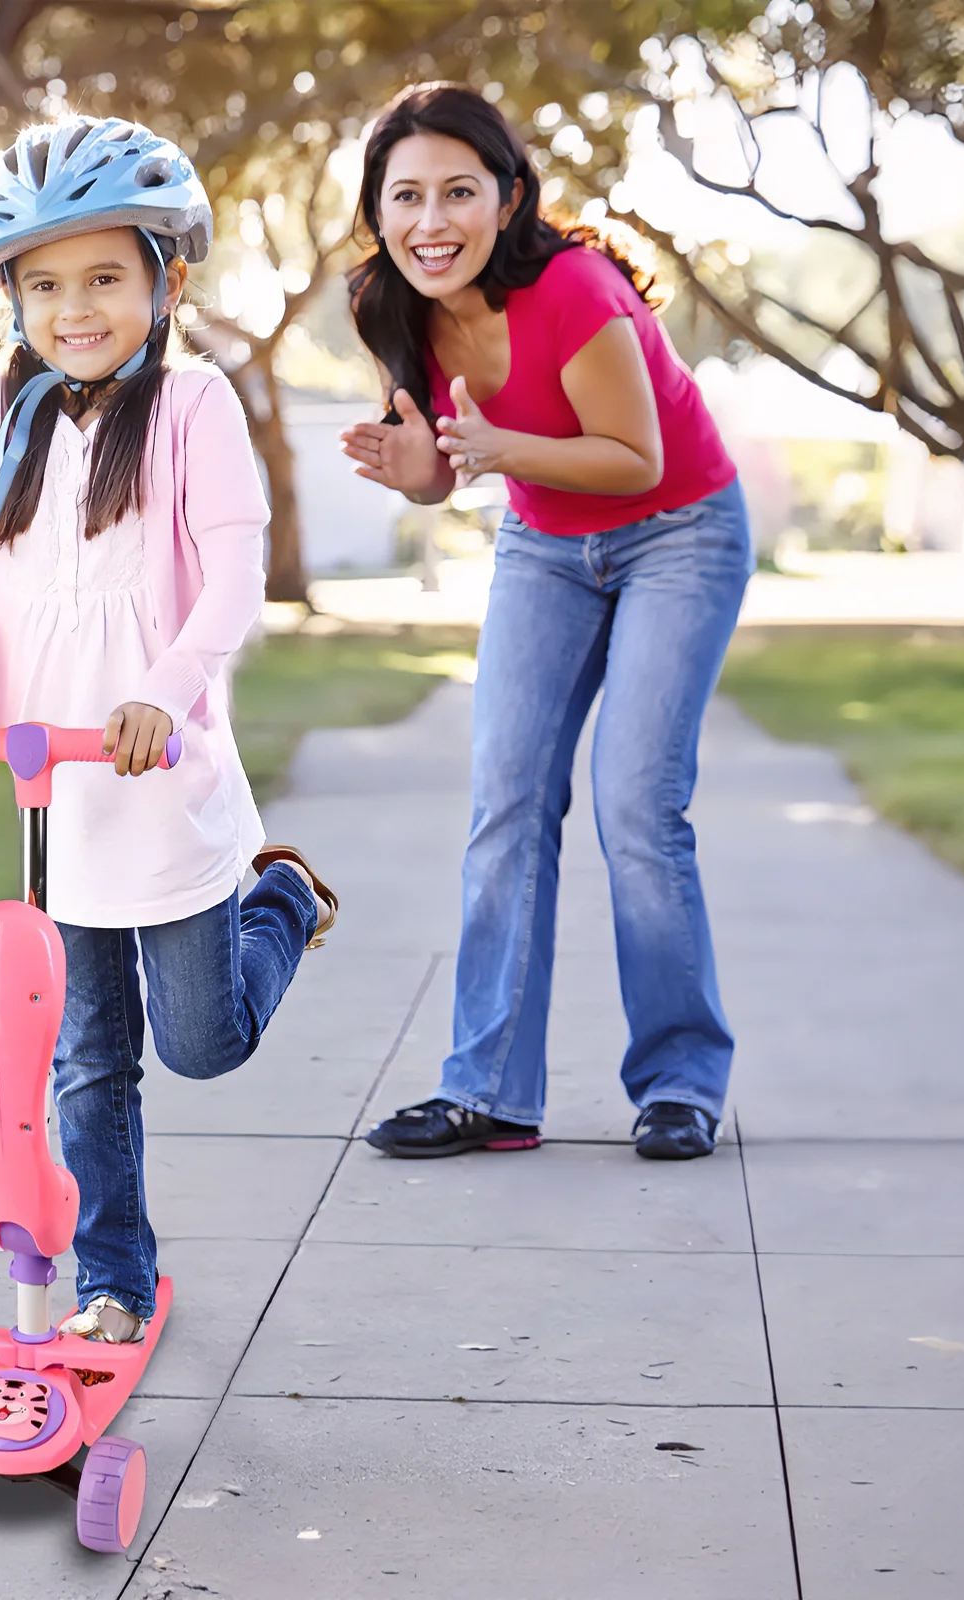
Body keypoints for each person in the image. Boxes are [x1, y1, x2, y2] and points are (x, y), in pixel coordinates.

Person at [0, 116, 337, 1342]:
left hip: (163, 777)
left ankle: (281, 899)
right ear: (12, 297)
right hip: (57, 795)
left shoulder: (192, 405)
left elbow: (236, 573)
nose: (74, 308)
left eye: (103, 277)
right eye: (44, 284)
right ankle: (112, 1280)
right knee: (86, 1059)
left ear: (166, 282)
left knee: (201, 1044)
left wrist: (167, 688)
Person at [340, 84, 752, 1163]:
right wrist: (418, 471)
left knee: (635, 803)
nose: (431, 221)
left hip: (679, 531)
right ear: (377, 210)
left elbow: (636, 459)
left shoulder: (574, 290)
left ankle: (680, 1085)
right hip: (546, 543)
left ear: (509, 196)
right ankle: (487, 1091)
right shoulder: (392, 305)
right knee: (507, 800)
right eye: (405, 196)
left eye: (458, 192)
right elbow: (447, 463)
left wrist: (493, 455)